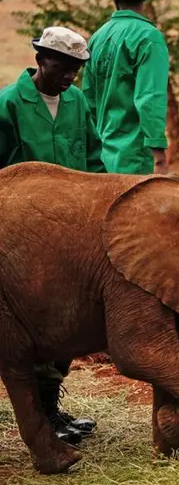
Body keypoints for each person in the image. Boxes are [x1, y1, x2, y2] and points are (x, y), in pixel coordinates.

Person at [0, 26, 105, 445]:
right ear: (41, 59)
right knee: (37, 323)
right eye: (62, 66)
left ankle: (52, 410)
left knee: (67, 320)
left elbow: (93, 157)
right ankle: (41, 419)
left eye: (76, 69)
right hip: (25, 235)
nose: (69, 77)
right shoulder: (9, 103)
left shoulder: (77, 101)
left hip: (72, 229)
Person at [82, 0, 169, 175]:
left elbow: (88, 100)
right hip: (136, 157)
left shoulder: (97, 37)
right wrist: (158, 154)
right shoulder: (149, 37)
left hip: (101, 157)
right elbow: (150, 97)